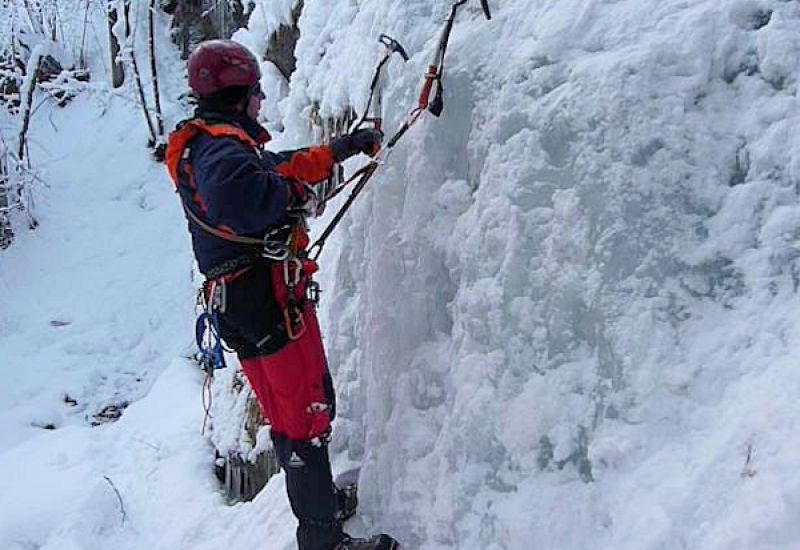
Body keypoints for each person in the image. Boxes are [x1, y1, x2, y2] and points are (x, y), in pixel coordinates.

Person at [165, 40, 397, 550]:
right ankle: (322, 539)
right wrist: (291, 198)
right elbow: (245, 197)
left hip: (239, 302)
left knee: (288, 413)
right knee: (307, 412)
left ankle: (319, 509)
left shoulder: (210, 145)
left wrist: (341, 149)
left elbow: (279, 166)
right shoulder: (222, 151)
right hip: (265, 297)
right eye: (256, 92)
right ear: (238, 94)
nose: (261, 101)